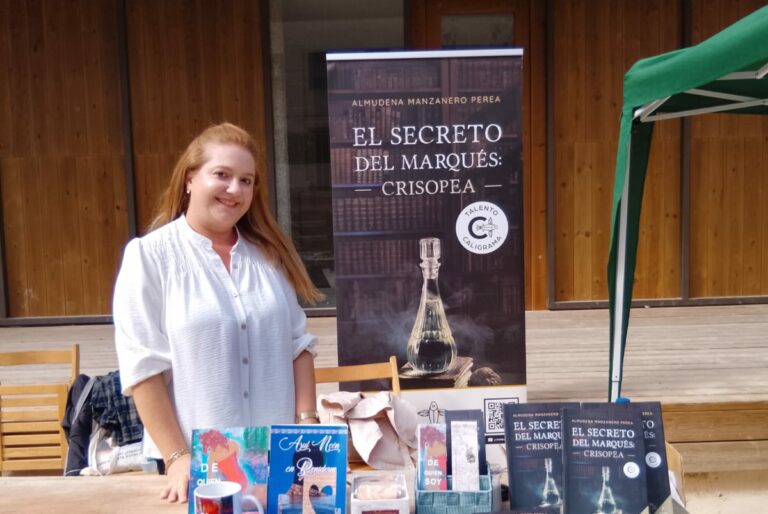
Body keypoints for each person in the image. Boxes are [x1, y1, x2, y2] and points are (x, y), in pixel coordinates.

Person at [113, 122, 323, 504]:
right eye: (222, 175)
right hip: (196, 467)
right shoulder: (150, 257)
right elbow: (143, 370)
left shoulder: (270, 256)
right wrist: (177, 458)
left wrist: (307, 430)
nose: (235, 189)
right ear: (190, 178)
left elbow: (298, 346)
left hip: (277, 460)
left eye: (246, 180)